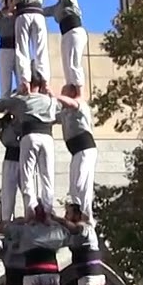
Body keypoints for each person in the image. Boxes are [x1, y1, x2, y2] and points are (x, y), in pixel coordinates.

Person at [0, 77, 59, 214]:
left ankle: (34, 211)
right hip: (13, 155)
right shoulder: (10, 119)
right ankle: (9, 219)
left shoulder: (28, 106)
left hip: (27, 147)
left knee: (31, 181)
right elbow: (6, 140)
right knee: (9, 193)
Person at [55, 84, 98, 223]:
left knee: (82, 184)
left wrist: (54, 95)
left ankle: (87, 218)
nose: (62, 97)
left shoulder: (80, 105)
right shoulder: (65, 112)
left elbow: (73, 104)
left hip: (85, 148)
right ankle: (76, 216)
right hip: (75, 152)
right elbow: (51, 117)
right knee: (74, 188)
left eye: (64, 93)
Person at [43, 0, 86, 89]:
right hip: (65, 34)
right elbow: (43, 11)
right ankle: (71, 89)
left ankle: (79, 90)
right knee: (67, 67)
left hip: (74, 30)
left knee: (73, 63)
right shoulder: (57, 7)